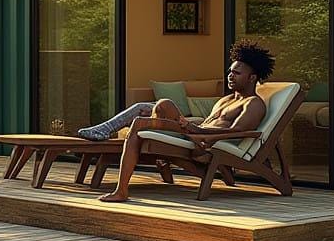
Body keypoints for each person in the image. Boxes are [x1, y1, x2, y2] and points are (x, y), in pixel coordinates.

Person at [76, 40, 275, 203]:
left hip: (204, 144)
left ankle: (125, 185)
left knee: (155, 110)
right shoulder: (227, 100)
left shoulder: (254, 104)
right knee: (145, 113)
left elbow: (238, 131)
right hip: (194, 134)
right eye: (230, 71)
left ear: (252, 78)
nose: (230, 76)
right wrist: (192, 124)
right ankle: (133, 173)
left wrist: (203, 134)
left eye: (237, 73)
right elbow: (209, 121)